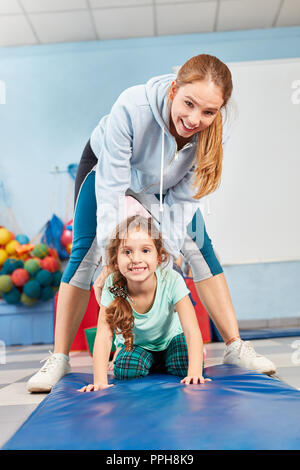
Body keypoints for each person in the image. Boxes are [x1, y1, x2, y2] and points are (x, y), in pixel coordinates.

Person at [27, 54, 276, 394]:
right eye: (188, 104)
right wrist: (113, 259)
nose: (194, 119)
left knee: (199, 246)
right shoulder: (133, 106)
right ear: (174, 89)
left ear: (219, 109)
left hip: (166, 186)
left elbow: (186, 200)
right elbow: (113, 188)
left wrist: (167, 256)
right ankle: (59, 357)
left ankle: (235, 344)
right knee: (87, 251)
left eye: (208, 112)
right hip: (108, 169)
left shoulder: (214, 132)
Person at [78, 215, 210, 392]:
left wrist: (194, 372)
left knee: (185, 363)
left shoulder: (171, 280)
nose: (136, 259)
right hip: (139, 344)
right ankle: (147, 359)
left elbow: (191, 329)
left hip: (172, 338)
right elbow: (104, 335)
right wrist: (99, 380)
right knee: (125, 370)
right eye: (127, 252)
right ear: (116, 261)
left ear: (159, 257)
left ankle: (165, 359)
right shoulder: (114, 286)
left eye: (145, 251)